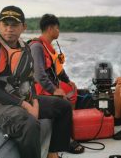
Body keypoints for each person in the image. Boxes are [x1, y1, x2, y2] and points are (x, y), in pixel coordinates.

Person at [0, 6, 72, 158]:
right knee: (29, 124)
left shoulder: (25, 48)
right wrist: (25, 105)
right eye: (5, 24)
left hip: (19, 98)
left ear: (23, 27)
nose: (9, 29)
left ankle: (52, 153)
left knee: (64, 106)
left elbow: (30, 80)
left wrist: (34, 102)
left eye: (14, 25)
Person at [29, 13, 84, 154]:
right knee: (64, 99)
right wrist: (54, 90)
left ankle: (66, 132)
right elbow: (38, 74)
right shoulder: (37, 47)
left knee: (72, 91)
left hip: (48, 86)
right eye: (57, 28)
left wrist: (67, 81)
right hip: (39, 91)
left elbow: (58, 70)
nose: (59, 31)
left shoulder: (49, 48)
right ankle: (65, 141)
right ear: (50, 28)